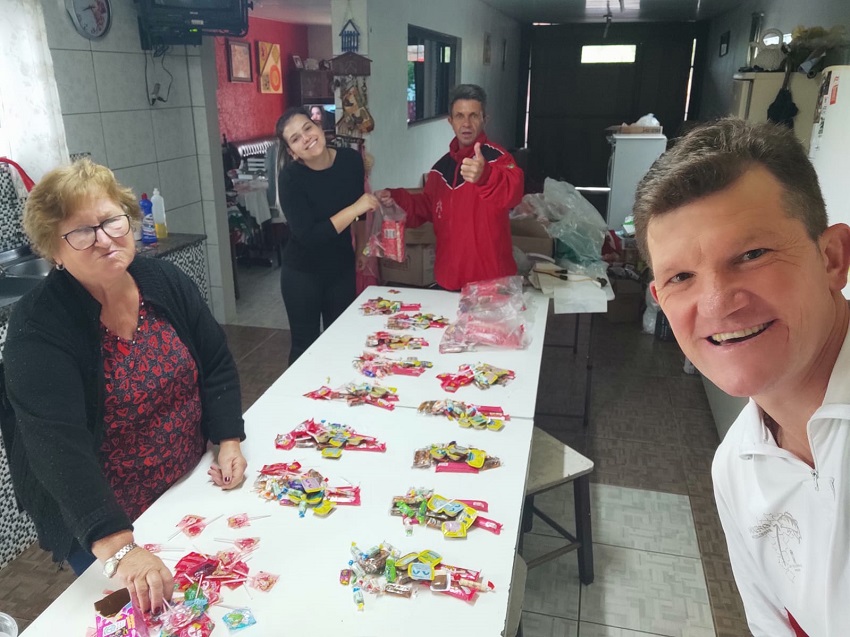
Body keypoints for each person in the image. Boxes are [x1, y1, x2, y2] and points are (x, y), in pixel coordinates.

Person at [632, 118, 850, 637]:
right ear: (661, 301)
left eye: (751, 255)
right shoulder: (736, 465)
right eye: (681, 277)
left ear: (832, 259)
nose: (716, 304)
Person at [0, 159, 247, 615]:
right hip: (102, 517)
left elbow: (215, 363)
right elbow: (57, 448)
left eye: (111, 220)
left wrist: (228, 436)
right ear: (54, 249)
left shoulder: (162, 279)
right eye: (81, 232)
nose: (104, 239)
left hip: (187, 486)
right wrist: (119, 548)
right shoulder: (39, 326)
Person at [375, 84, 524, 291]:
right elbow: (428, 207)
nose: (466, 123)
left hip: (491, 284)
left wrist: (486, 176)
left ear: (484, 119)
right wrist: (396, 198)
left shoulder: (498, 159)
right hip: (449, 280)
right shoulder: (440, 169)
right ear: (450, 121)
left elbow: (513, 192)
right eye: (460, 116)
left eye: (473, 116)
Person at [275, 107, 377, 364]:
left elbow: (361, 214)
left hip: (340, 268)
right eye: (295, 138)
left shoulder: (350, 161)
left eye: (307, 128)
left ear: (319, 128)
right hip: (302, 274)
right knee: (304, 347)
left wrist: (361, 249)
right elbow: (309, 235)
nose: (306, 138)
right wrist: (355, 208)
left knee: (340, 340)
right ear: (292, 152)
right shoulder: (290, 179)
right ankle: (301, 401)